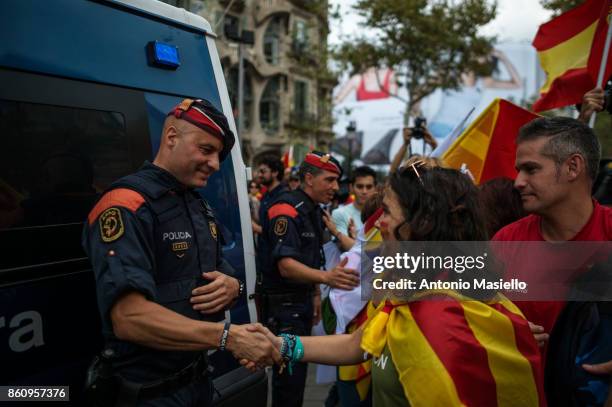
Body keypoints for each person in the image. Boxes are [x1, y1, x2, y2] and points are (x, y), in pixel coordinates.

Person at [247, 166, 546, 406]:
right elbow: (358, 344)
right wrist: (282, 345)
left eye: (387, 212)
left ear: (423, 222)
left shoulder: (447, 318)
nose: (378, 224)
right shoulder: (403, 290)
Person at [82, 98, 280, 406]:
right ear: (172, 136)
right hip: (149, 393)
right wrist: (229, 337)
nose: (215, 164)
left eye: (218, 155)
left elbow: (222, 270)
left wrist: (233, 286)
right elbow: (129, 318)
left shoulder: (195, 203)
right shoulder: (126, 205)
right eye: (206, 150)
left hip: (197, 380)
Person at [259, 151, 361, 407]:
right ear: (308, 178)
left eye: (337, 181)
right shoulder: (285, 209)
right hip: (284, 307)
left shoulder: (313, 210)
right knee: (288, 383)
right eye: (329, 180)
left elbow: (311, 256)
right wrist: (328, 278)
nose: (335, 188)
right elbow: (287, 266)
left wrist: (316, 293)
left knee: (297, 378)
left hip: (302, 302)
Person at [325, 166, 377, 251]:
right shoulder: (339, 213)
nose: (364, 191)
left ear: (375, 188)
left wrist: (355, 239)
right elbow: (346, 247)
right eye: (360, 186)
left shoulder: (382, 215)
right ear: (351, 188)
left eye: (369, 187)